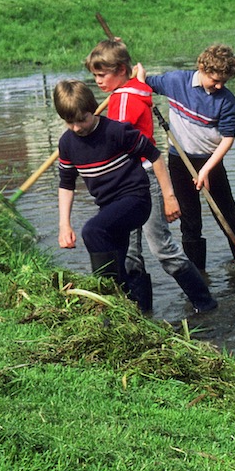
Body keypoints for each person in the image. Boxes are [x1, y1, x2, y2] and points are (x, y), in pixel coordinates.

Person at [85, 39, 217, 314]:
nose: (97, 81)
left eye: (102, 74)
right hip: (129, 183)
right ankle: (143, 313)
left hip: (141, 180)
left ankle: (205, 305)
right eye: (95, 75)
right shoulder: (135, 87)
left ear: (121, 69)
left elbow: (117, 142)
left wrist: (169, 196)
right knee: (132, 253)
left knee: (162, 248)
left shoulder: (124, 98)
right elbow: (137, 82)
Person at [142, 44, 235, 270]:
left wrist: (207, 170)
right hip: (179, 161)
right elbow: (143, 84)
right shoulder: (175, 81)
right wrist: (136, 71)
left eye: (224, 81)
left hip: (211, 161)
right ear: (202, 67)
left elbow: (228, 139)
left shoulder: (227, 101)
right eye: (215, 79)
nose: (219, 85)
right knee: (190, 222)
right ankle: (198, 275)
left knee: (227, 216)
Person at [54, 79, 159, 306]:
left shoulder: (116, 131)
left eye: (82, 119)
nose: (77, 128)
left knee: (93, 230)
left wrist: (169, 198)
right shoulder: (67, 143)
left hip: (136, 199)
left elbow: (155, 155)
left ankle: (108, 300)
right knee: (120, 261)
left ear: (92, 109)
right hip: (108, 207)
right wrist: (64, 224)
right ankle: (139, 310)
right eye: (69, 122)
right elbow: (66, 183)